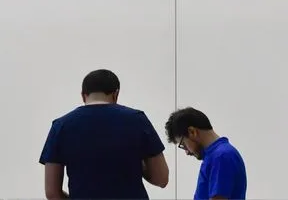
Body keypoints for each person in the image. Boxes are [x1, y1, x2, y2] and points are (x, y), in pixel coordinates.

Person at [39, 69, 169, 199]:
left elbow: (52, 192)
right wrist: (137, 161)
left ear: (83, 95)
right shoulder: (137, 119)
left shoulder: (60, 126)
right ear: (116, 94)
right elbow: (161, 178)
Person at [165, 107, 247, 199]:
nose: (187, 152)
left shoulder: (221, 156)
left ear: (192, 132)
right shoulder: (217, 155)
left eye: (183, 145)